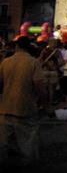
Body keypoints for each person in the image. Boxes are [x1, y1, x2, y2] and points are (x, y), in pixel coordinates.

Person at [0, 36, 45, 166]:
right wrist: (44, 103)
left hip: (5, 107)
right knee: (27, 144)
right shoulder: (33, 62)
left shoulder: (5, 62)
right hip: (25, 107)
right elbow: (40, 87)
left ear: (17, 46)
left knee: (3, 143)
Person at [38, 38, 62, 117]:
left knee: (44, 88)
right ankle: (50, 104)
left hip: (45, 71)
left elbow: (40, 60)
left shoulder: (44, 51)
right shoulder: (58, 51)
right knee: (52, 89)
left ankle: (44, 104)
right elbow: (61, 61)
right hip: (53, 72)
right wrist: (56, 66)